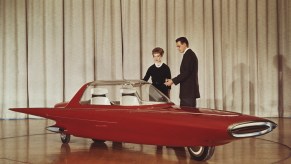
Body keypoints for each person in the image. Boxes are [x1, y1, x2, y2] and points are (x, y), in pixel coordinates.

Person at [164, 37, 200, 107]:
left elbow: (186, 73)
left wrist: (172, 81)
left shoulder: (189, 55)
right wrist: (172, 80)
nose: (178, 48)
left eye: (179, 46)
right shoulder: (189, 54)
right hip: (188, 92)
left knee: (188, 115)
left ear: (184, 44)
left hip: (188, 92)